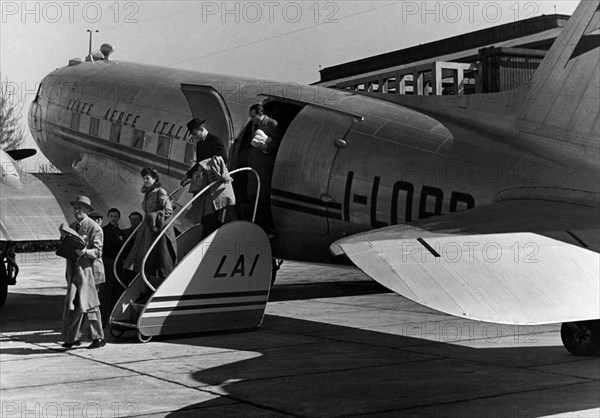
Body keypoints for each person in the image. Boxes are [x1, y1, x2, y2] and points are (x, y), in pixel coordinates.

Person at [60, 195, 106, 349]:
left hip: (90, 273)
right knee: (73, 304)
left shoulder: (95, 228)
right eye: (75, 207)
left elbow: (98, 252)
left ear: (87, 210)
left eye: (80, 207)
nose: (76, 210)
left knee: (91, 304)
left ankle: (98, 338)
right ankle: (72, 337)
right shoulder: (72, 226)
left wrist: (85, 251)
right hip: (75, 272)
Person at [123, 168, 177, 284]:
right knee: (144, 258)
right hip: (147, 229)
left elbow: (168, 210)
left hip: (157, 229)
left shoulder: (160, 192)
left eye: (147, 178)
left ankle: (157, 285)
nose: (145, 181)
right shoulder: (148, 193)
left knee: (159, 259)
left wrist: (153, 217)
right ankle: (145, 288)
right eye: (144, 178)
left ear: (155, 179)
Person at [180, 117, 231, 237]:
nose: (193, 137)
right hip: (203, 181)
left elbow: (223, 158)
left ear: (201, 129)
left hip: (212, 181)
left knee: (210, 213)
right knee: (202, 212)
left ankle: (210, 235)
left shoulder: (215, 141)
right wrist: (187, 175)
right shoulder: (200, 144)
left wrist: (207, 165)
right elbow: (199, 162)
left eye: (194, 133)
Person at [246, 103, 282, 232]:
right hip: (254, 165)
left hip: (265, 167)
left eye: (254, 116)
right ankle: (258, 224)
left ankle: (268, 227)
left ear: (261, 114)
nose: (252, 119)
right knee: (252, 195)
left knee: (264, 198)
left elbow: (278, 142)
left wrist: (267, 147)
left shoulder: (272, 124)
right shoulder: (255, 124)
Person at [100, 208, 125, 325]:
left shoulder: (121, 232)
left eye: (116, 216)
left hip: (118, 262)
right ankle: (104, 318)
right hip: (108, 262)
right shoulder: (103, 231)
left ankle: (113, 316)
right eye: (112, 216)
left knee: (117, 289)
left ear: (119, 218)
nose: (114, 218)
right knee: (106, 290)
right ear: (108, 217)